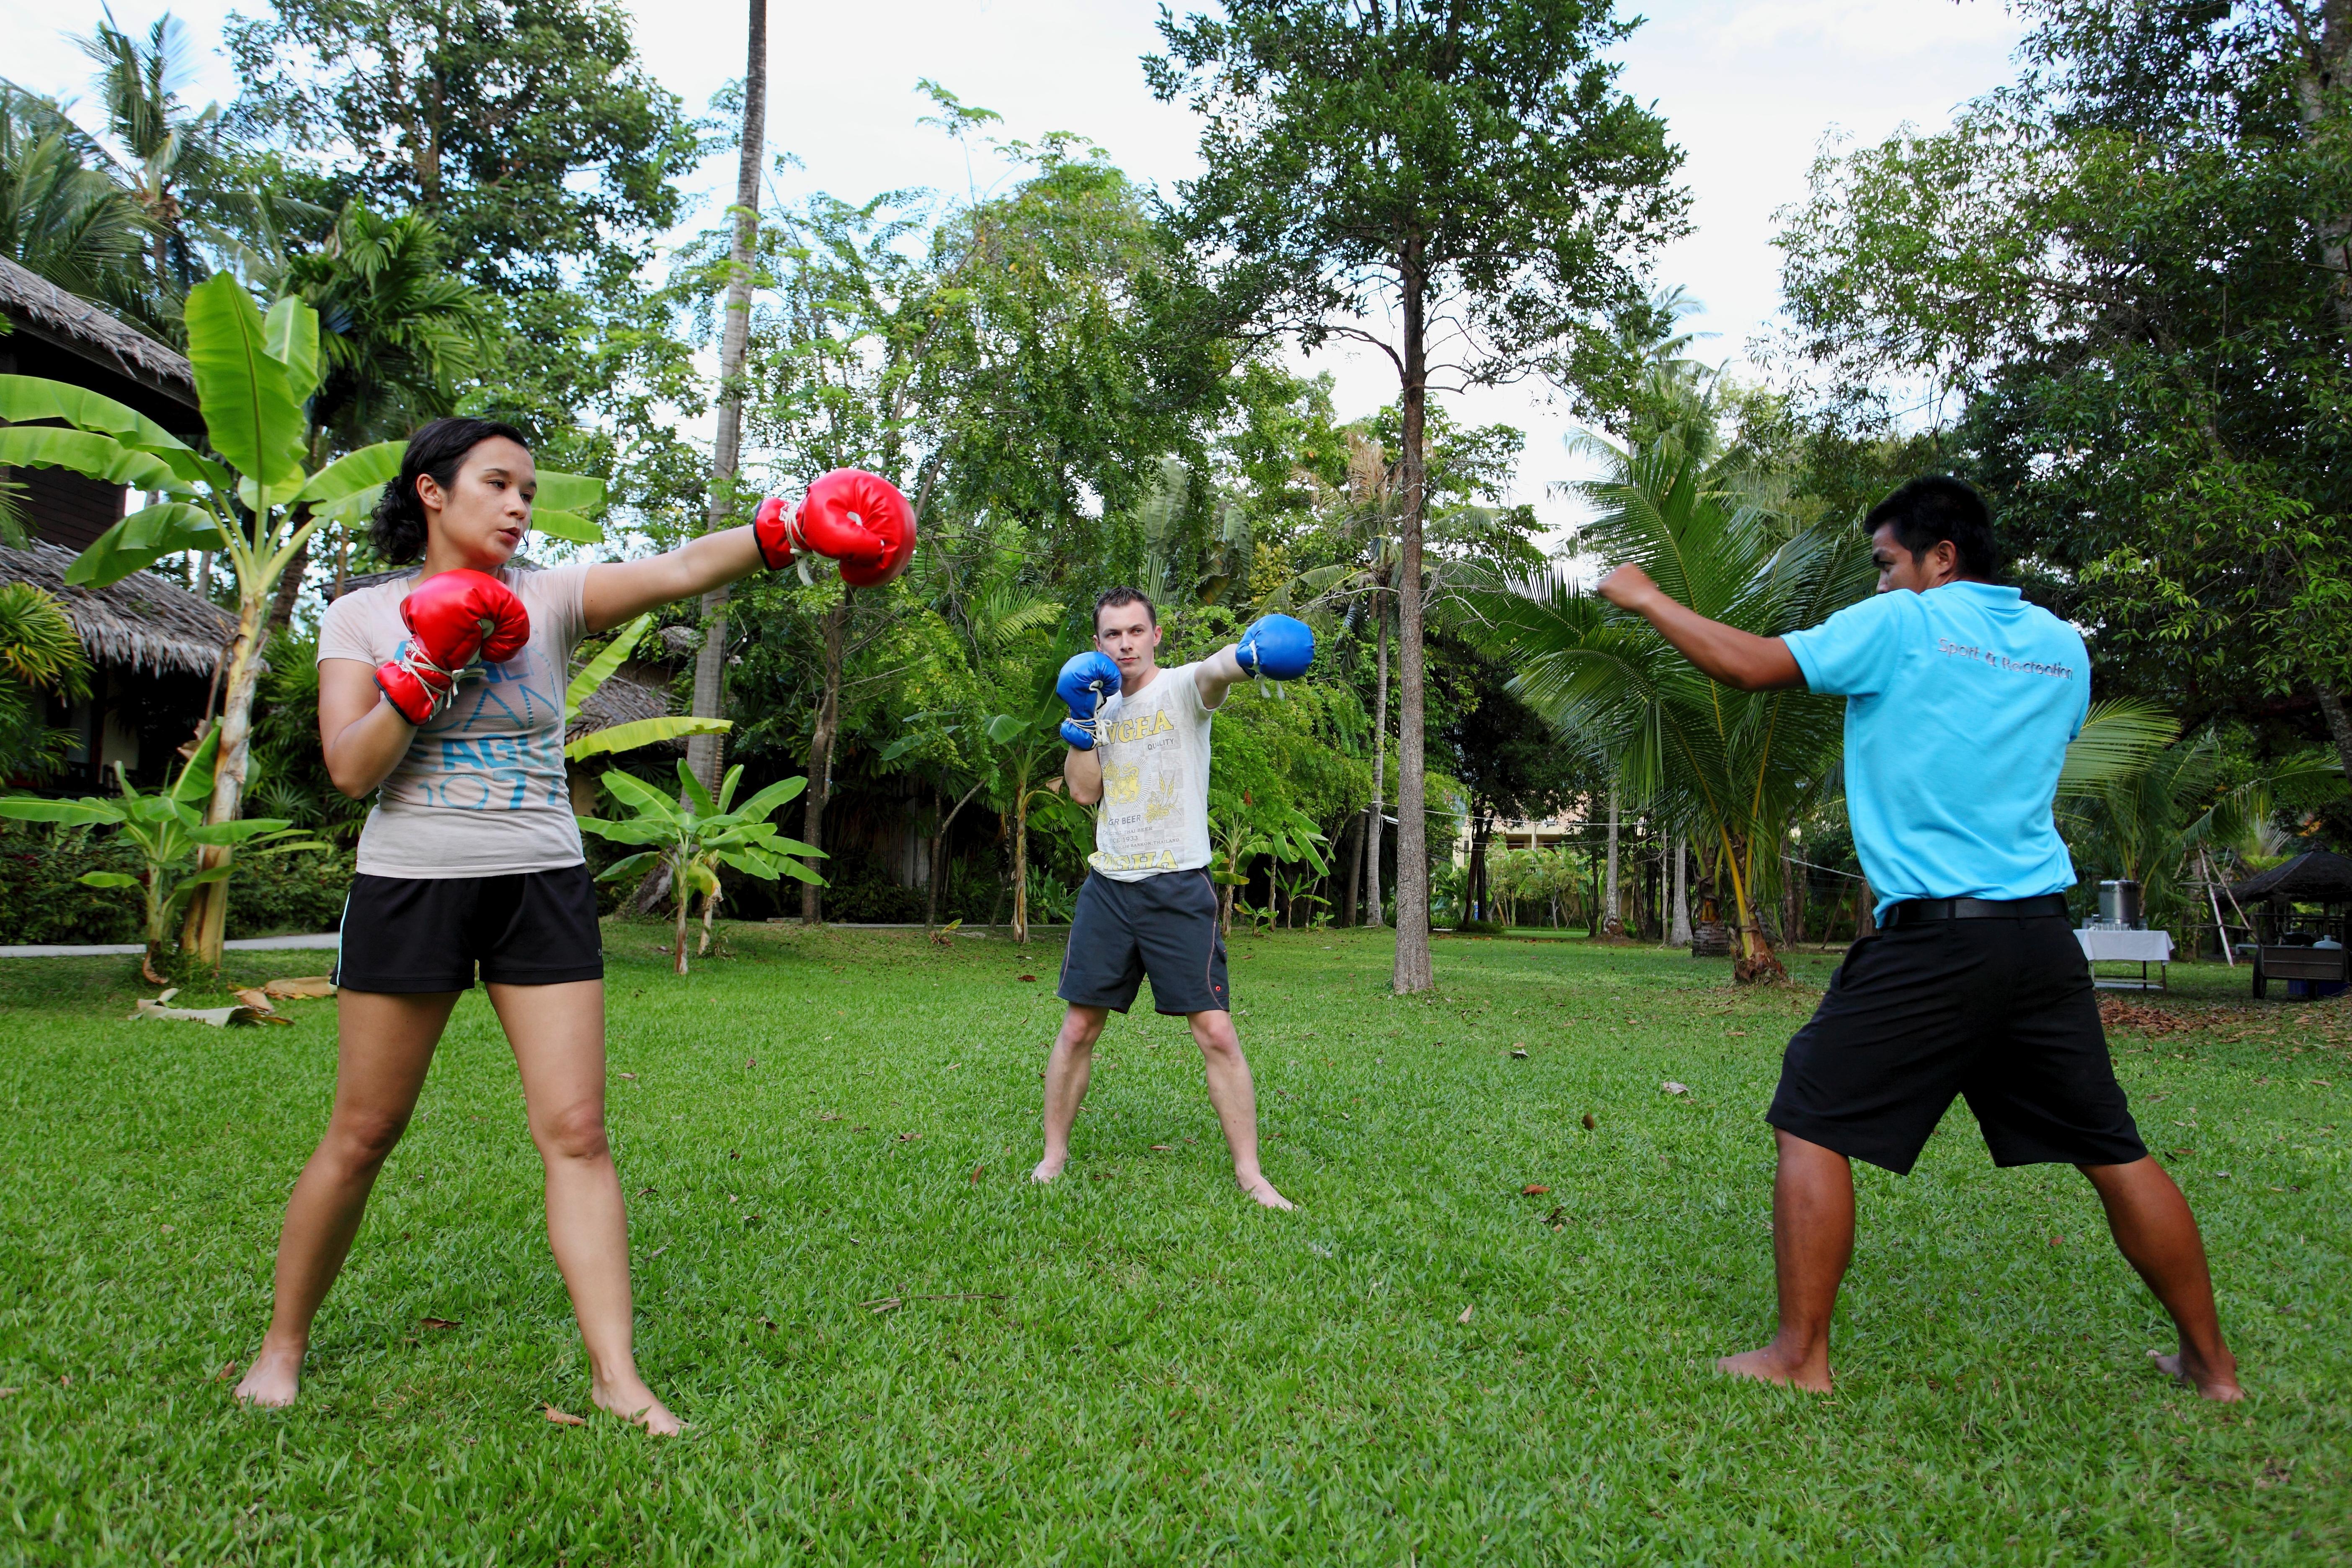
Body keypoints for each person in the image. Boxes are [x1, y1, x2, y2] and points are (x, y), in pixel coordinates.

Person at [232, 417, 913, 1429]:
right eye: (497, 485)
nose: (517, 506)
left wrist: (789, 530)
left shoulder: (548, 600)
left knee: (579, 1133)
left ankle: (616, 1376)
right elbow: (349, 768)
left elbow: (678, 567)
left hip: (538, 881)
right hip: (412, 881)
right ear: (432, 492)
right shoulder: (363, 616)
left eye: (527, 489)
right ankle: (282, 1345)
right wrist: (424, 663)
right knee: (365, 1131)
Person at [1596, 475, 2241, 1401]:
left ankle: (1799, 1358)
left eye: (1888, 564)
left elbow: (1747, 666)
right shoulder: (2063, 649)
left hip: (1939, 935)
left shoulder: (1906, 623)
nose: (1882, 582)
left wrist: (1648, 597)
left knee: (1811, 1113)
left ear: (1941, 558)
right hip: (2040, 939)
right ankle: (2212, 1370)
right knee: (2113, 1147)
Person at [1033, 588, 1314, 1210]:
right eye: (1113, 635)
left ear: (1156, 635)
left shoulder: (1185, 687)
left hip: (1178, 886)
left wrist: (1248, 656)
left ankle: (1250, 1173)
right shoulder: (1096, 706)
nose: (1126, 644)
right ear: (1098, 643)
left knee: (1215, 1032)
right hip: (1110, 886)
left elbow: (1216, 671)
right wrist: (1081, 728)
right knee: (1079, 1025)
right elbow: (1083, 794)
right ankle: (1054, 1155)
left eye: (1136, 631)